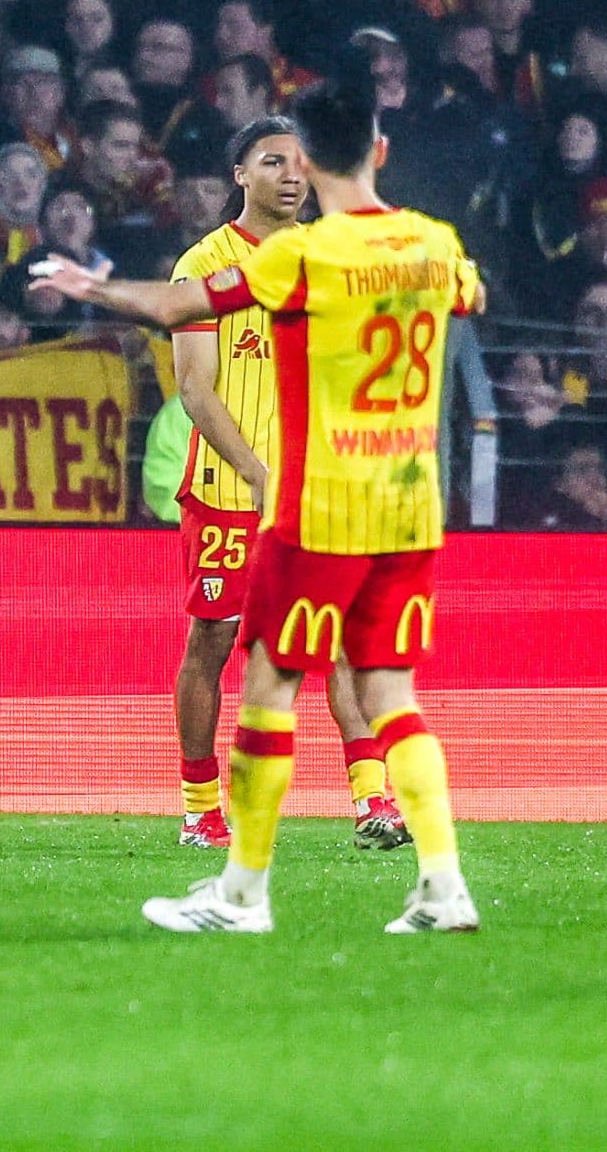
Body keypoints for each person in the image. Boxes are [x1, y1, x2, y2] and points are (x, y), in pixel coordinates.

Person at [34, 72, 482, 936]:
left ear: (313, 163)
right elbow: (473, 294)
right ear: (383, 151)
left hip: (314, 500)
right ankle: (442, 882)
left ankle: (242, 896)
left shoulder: (303, 257)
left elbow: (173, 305)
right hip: (406, 504)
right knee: (391, 686)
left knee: (273, 681)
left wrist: (93, 290)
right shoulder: (431, 242)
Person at [164, 115, 407, 852]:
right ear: (240, 175)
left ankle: (374, 800)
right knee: (215, 636)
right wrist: (255, 469)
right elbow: (196, 391)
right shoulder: (202, 265)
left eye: (302, 163)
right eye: (273, 162)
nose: (293, 176)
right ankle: (202, 807)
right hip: (230, 492)